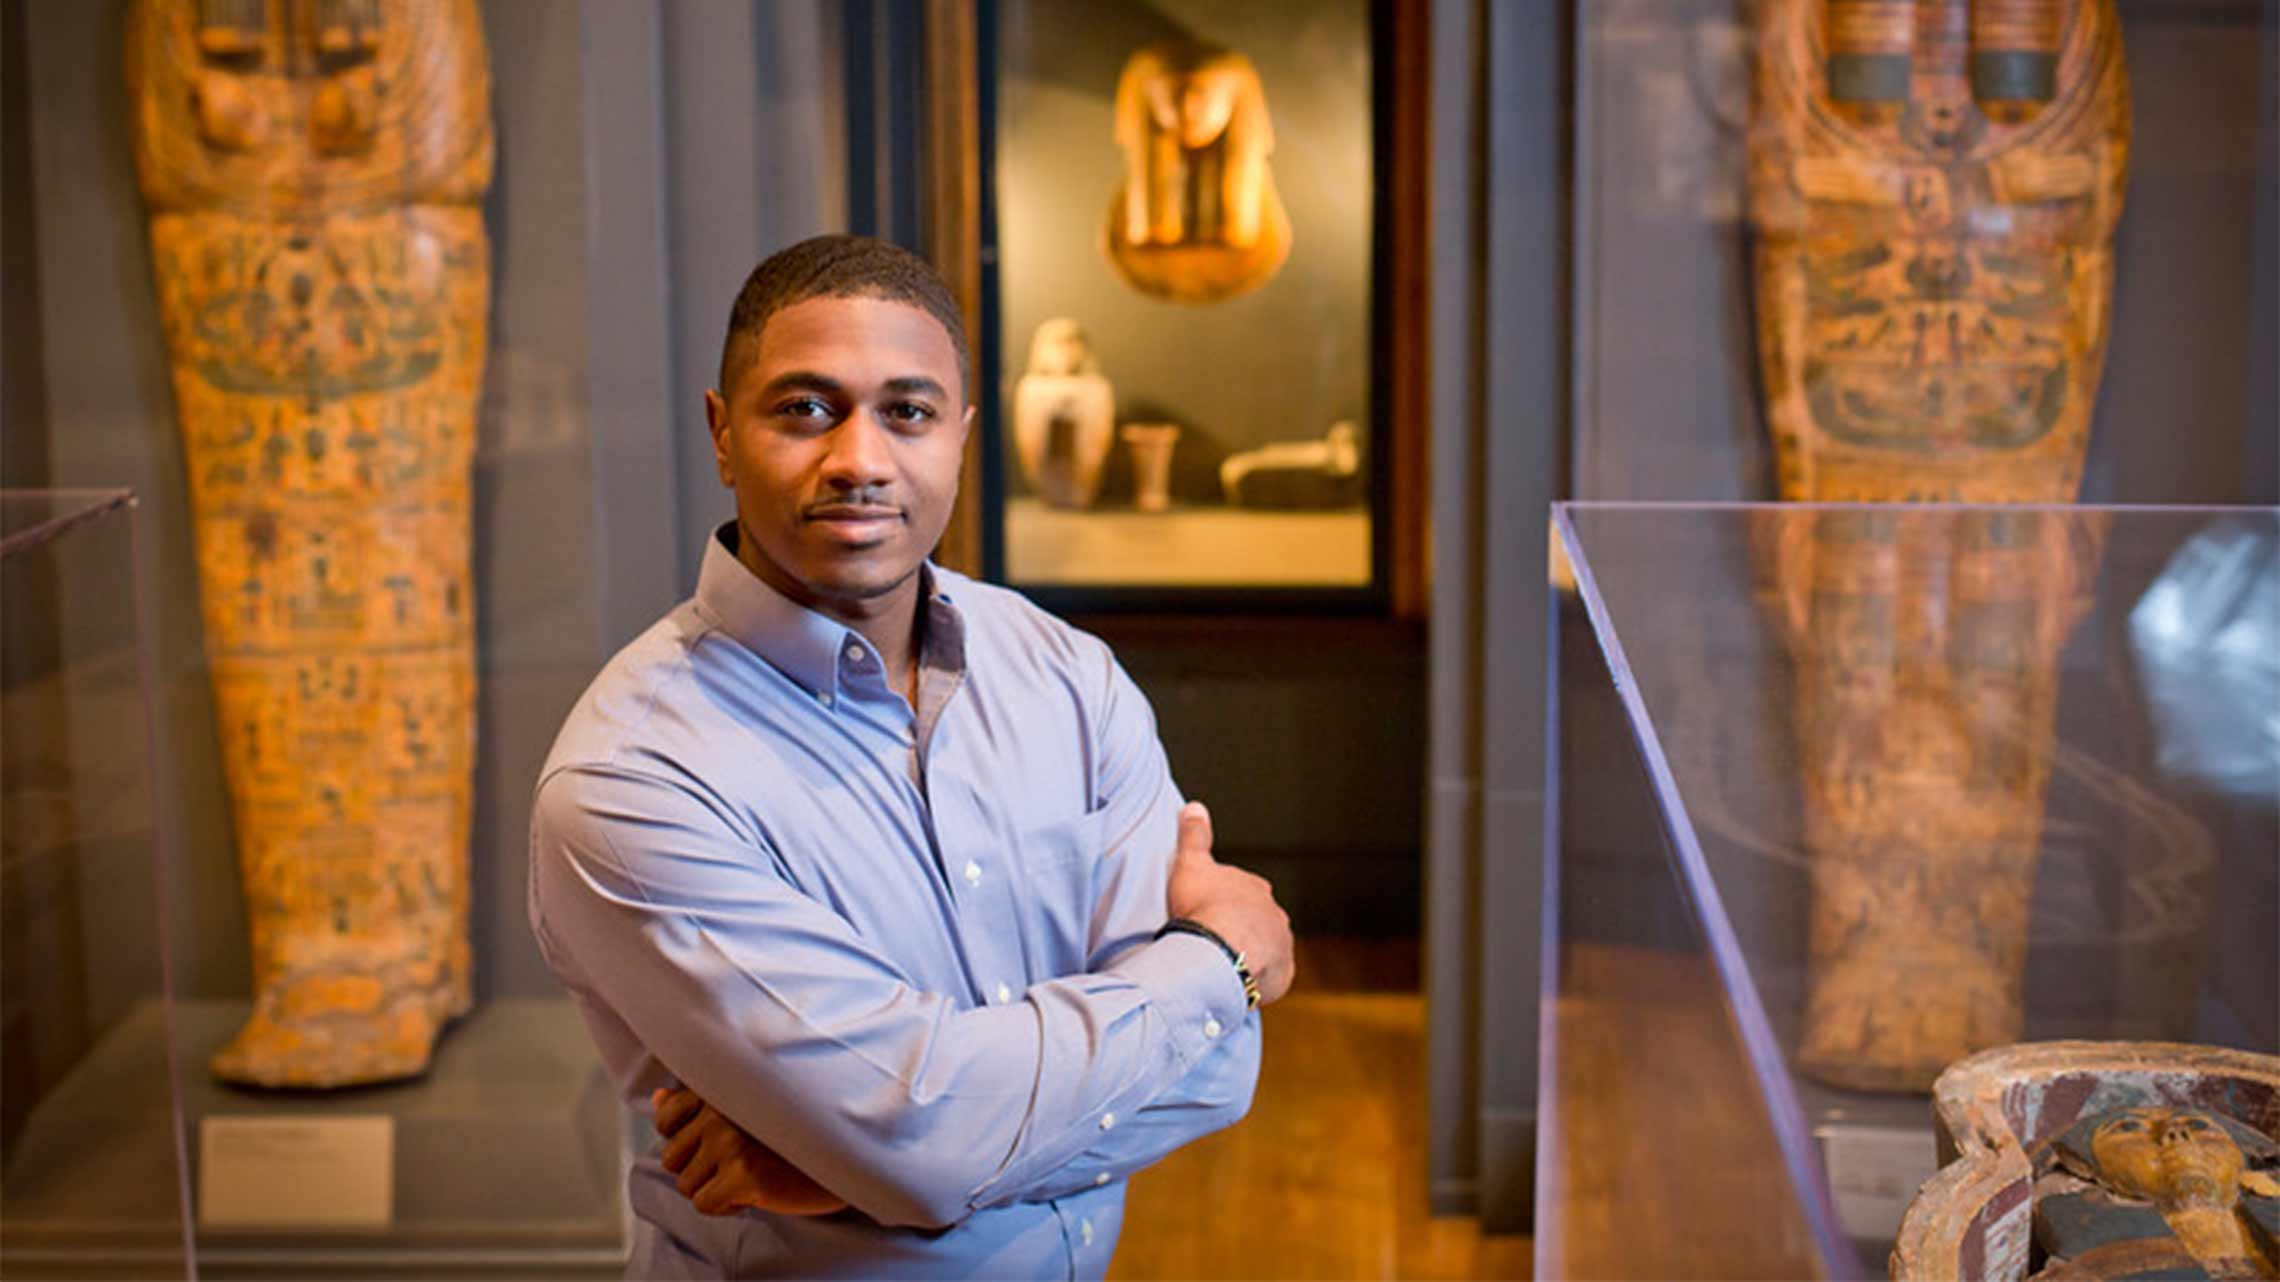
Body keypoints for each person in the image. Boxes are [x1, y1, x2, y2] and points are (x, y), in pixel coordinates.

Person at [527, 234, 1295, 1280]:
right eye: (805, 408)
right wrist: (1217, 964)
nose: (859, 459)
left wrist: (856, 1162)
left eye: (908, 411)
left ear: (962, 436)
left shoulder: (1067, 674)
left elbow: (1217, 1073)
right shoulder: (632, 782)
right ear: (720, 431)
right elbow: (936, 1135)